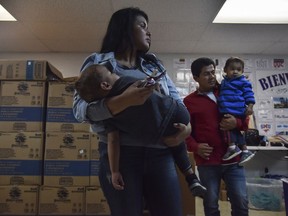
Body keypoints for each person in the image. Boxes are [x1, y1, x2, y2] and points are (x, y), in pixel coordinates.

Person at [73, 7, 191, 216]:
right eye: (142, 26)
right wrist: (123, 101)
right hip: (121, 156)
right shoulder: (98, 62)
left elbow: (176, 101)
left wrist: (187, 129)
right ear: (125, 28)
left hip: (160, 153)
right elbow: (80, 109)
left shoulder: (154, 65)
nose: (149, 32)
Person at [74, 63, 206, 197]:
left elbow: (113, 141)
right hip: (175, 114)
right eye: (111, 74)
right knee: (178, 143)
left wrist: (114, 171)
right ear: (105, 85)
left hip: (156, 135)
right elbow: (154, 87)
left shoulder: (109, 116)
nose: (116, 74)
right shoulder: (126, 82)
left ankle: (192, 178)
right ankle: (191, 177)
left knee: (173, 142)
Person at [184, 57, 249, 216]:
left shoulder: (228, 90)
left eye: (213, 72)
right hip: (208, 162)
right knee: (211, 204)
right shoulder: (189, 101)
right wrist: (195, 147)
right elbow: (186, 133)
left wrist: (237, 123)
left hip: (234, 159)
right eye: (206, 74)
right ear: (196, 78)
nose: (212, 76)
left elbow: (245, 117)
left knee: (241, 201)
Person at [218, 57, 256, 165]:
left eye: (238, 70)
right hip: (229, 108)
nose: (235, 72)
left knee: (225, 127)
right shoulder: (225, 82)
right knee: (235, 130)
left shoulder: (243, 81)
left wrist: (250, 107)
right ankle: (245, 150)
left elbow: (249, 95)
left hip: (236, 109)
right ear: (225, 69)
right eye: (232, 69)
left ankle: (232, 147)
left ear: (242, 71)